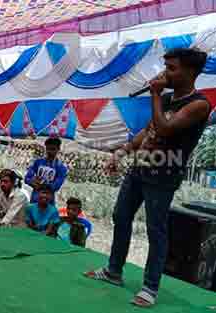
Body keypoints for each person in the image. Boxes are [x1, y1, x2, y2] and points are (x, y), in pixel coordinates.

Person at [85, 48, 212, 308]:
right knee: (121, 217)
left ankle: (150, 287)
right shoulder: (165, 100)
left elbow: (165, 129)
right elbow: (148, 131)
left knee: (156, 230)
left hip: (163, 176)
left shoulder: (198, 105)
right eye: (165, 67)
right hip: (140, 169)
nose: (165, 73)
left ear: (190, 72)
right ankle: (114, 271)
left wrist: (154, 93)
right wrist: (121, 152)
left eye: (172, 68)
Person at [25, 137, 67, 204]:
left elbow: (56, 186)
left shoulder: (61, 168)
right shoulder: (38, 162)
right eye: (48, 149)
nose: (50, 152)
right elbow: (27, 178)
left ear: (58, 149)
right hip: (35, 199)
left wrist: (39, 183)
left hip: (48, 201)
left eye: (53, 149)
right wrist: (32, 182)